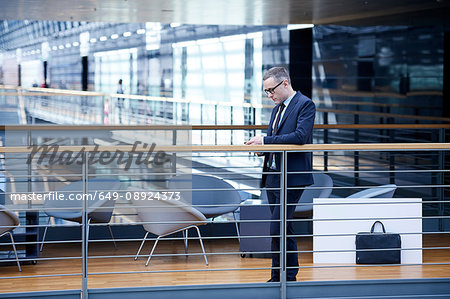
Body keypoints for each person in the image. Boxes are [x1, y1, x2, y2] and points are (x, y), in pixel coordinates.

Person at [246, 67, 316, 282]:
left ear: (285, 83)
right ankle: (281, 275)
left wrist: (265, 141)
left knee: (278, 226)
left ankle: (285, 276)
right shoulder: (278, 108)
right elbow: (278, 139)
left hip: (292, 177)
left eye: (271, 90)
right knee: (283, 227)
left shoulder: (305, 104)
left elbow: (300, 136)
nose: (269, 95)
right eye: (266, 92)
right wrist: (263, 149)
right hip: (274, 175)